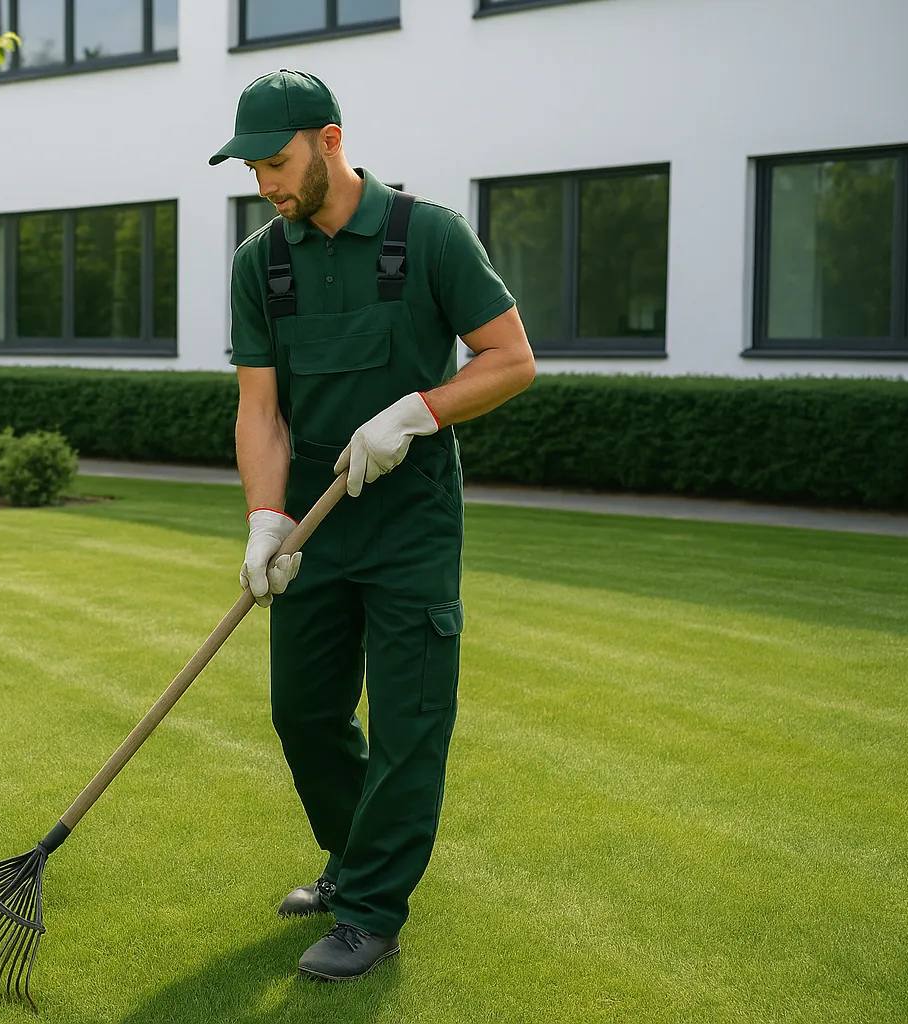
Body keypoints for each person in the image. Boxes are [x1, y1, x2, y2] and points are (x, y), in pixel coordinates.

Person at [211, 68, 536, 981]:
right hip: (314, 518)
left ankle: (371, 910)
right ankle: (354, 861)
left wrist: (415, 413)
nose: (266, 184)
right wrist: (266, 521)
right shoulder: (260, 263)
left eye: (277, 162)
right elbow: (260, 412)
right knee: (304, 714)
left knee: (407, 722)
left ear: (331, 140)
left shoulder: (428, 235)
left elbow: (511, 360)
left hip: (409, 518)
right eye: (252, 170)